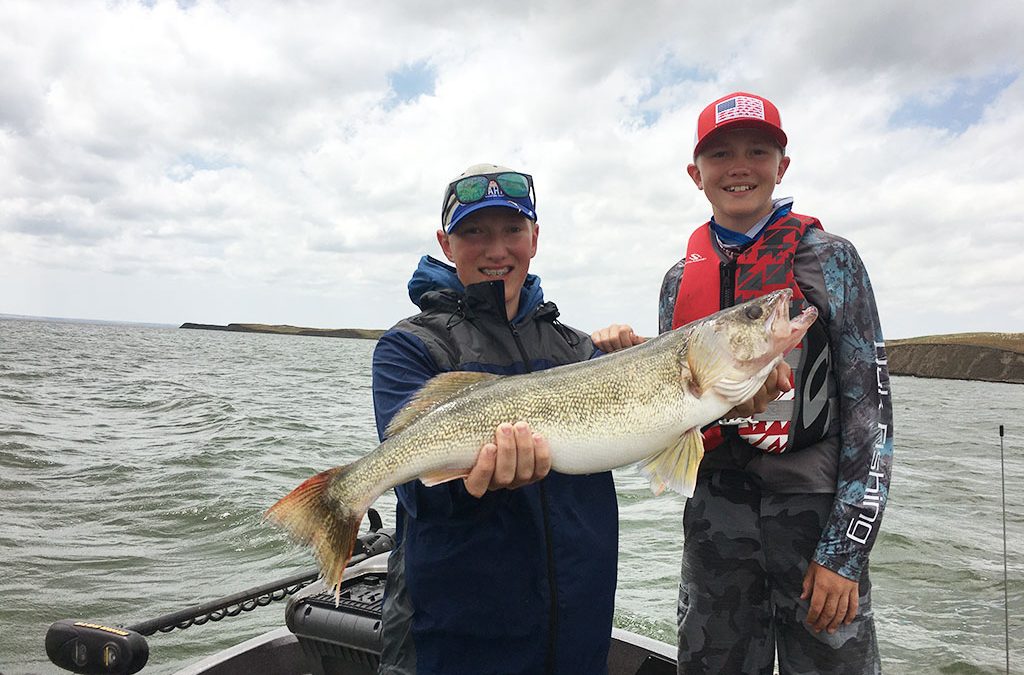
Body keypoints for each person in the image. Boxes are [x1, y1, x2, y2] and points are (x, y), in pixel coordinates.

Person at [592, 92, 894, 674]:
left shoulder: (832, 261)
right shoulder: (678, 279)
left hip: (814, 513)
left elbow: (870, 414)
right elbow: (677, 413)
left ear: (781, 166)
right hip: (715, 516)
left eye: (758, 150)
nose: (739, 166)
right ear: (695, 174)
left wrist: (845, 552)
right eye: (721, 153)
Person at [371, 164, 618, 675]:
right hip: (458, 639)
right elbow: (418, 490)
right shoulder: (410, 346)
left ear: (535, 237)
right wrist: (475, 482)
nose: (496, 249)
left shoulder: (581, 350)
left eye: (512, 229)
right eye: (474, 232)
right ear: (446, 243)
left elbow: (656, 425)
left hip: (578, 631)